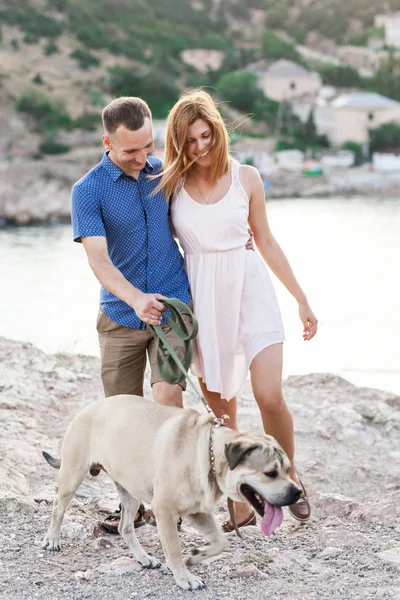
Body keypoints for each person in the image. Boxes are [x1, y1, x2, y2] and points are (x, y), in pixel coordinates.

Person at [159, 89, 318, 530]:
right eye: (189, 141)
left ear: (218, 130)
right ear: (177, 143)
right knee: (223, 417)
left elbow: (264, 239)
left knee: (269, 396)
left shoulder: (246, 177)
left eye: (205, 135)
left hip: (251, 291)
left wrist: (301, 298)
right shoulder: (171, 186)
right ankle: (244, 499)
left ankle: (290, 477)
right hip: (204, 300)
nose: (200, 147)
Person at [71, 96, 192, 532]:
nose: (143, 158)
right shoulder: (87, 191)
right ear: (107, 142)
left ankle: (171, 502)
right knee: (121, 417)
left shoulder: (166, 172)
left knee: (166, 400)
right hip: (120, 316)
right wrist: (136, 297)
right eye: (130, 151)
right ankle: (135, 505)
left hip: (173, 307)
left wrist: (240, 240)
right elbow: (99, 260)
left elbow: (197, 219)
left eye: (148, 146)